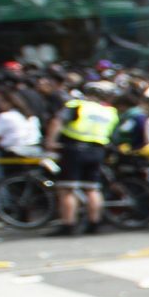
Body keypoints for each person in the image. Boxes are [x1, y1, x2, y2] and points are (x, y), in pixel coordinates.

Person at [49, 81, 122, 236]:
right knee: (92, 188)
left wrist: (50, 141)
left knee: (67, 188)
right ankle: (94, 223)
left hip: (74, 149)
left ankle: (68, 224)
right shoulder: (109, 112)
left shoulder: (77, 105)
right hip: (97, 150)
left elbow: (57, 121)